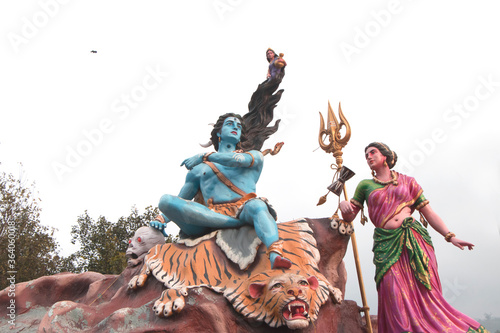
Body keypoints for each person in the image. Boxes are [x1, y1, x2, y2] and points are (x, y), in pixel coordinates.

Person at [339, 142, 487, 333]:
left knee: (426, 293)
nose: (368, 157)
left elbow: (430, 213)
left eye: (373, 152)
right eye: (366, 155)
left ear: (385, 156)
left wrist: (450, 236)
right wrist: (343, 205)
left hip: (414, 241)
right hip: (387, 245)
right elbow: (350, 215)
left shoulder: (408, 181)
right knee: (392, 291)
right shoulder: (365, 185)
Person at [150, 113, 291, 269]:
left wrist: (205, 156)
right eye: (230, 124)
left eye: (238, 126)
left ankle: (275, 254)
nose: (235, 128)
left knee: (257, 206)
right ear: (218, 132)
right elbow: (183, 198)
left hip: (244, 209)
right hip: (209, 217)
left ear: (240, 137)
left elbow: (235, 160)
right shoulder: (199, 170)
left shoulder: (254, 156)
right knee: (165, 201)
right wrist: (161, 220)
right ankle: (233, 224)